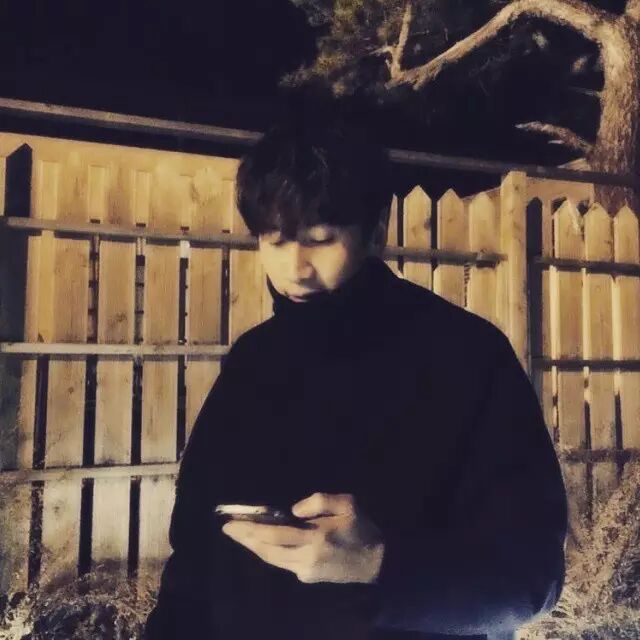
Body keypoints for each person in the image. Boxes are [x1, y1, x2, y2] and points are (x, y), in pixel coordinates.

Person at [144, 116, 567, 640]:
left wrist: (378, 563)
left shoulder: (466, 356)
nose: (295, 269)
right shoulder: (253, 359)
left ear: (375, 229)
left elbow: (529, 582)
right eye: (274, 241)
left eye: (320, 240)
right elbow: (194, 557)